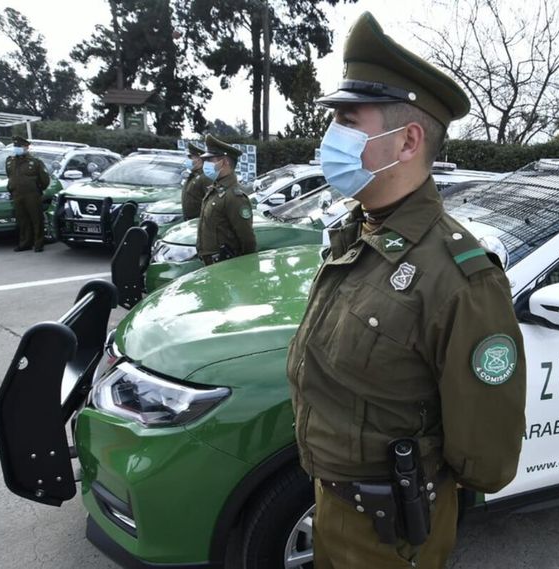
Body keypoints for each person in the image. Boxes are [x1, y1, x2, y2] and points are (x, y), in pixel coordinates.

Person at [286, 12, 526, 569]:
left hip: (391, 529)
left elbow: (487, 456)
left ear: (407, 140)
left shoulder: (460, 277)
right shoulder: (360, 234)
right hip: (332, 503)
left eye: (348, 121)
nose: (330, 137)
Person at [195, 134, 257, 265]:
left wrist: (249, 270)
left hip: (225, 266)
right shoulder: (216, 189)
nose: (206, 164)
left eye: (210, 160)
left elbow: (247, 240)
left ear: (224, 162)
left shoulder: (234, 196)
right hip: (212, 264)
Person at [6, 136, 50, 252]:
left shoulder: (35, 162)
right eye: (15, 146)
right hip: (17, 194)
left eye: (19, 146)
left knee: (36, 219)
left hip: (32, 194)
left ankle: (38, 243)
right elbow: (10, 176)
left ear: (26, 147)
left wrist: (36, 189)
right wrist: (11, 188)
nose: (17, 148)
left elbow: (45, 180)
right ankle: (25, 243)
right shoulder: (10, 161)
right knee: (22, 219)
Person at [181, 142, 211, 221]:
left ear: (199, 159)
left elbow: (210, 203)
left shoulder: (205, 177)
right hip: (190, 221)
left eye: (191, 158)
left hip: (198, 221)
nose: (188, 160)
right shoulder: (193, 175)